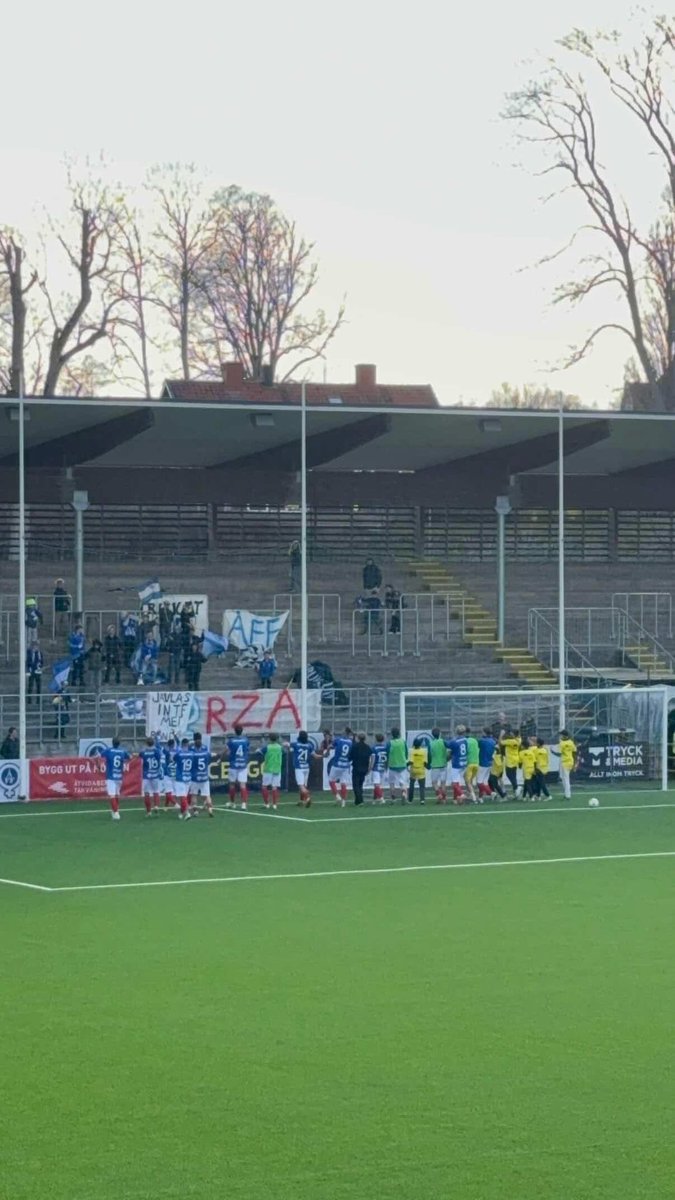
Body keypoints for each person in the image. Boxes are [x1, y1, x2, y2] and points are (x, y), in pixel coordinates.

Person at [97, 737, 130, 820]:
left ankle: (116, 813)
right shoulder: (122, 751)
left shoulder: (108, 750)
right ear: (119, 743)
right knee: (116, 794)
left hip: (111, 776)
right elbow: (129, 757)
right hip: (119, 776)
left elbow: (99, 756)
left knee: (112, 795)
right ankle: (115, 810)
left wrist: (99, 765)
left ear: (112, 743)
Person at [225, 724, 250, 809]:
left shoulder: (231, 741)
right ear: (242, 731)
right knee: (243, 785)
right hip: (243, 764)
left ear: (234, 731)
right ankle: (244, 804)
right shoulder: (246, 740)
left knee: (232, 784)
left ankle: (232, 803)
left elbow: (227, 750)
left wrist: (220, 757)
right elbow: (247, 749)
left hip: (233, 764)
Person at [190, 732, 214, 816]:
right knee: (207, 795)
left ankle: (195, 811)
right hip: (204, 776)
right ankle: (210, 810)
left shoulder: (191, 750)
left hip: (195, 776)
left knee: (194, 795)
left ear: (194, 740)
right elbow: (209, 759)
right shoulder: (205, 749)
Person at [139, 737, 163, 816]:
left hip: (146, 775)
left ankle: (148, 811)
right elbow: (160, 757)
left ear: (146, 743)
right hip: (155, 774)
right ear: (153, 743)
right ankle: (156, 806)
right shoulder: (157, 751)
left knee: (146, 793)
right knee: (156, 791)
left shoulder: (144, 752)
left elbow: (139, 755)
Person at [446, 726, 469, 805]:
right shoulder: (465, 740)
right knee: (457, 782)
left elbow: (448, 746)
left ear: (456, 732)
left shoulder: (454, 741)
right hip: (464, 762)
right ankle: (455, 799)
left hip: (456, 763)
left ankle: (462, 795)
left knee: (454, 783)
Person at [292, 731, 315, 808]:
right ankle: (301, 801)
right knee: (304, 785)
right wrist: (323, 756)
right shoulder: (309, 745)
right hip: (306, 767)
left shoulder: (296, 744)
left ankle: (308, 798)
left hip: (299, 767)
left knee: (301, 786)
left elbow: (287, 745)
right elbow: (315, 755)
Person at [386, 726, 408, 804]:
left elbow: (387, 753)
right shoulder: (403, 742)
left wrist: (387, 763)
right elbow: (406, 752)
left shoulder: (390, 743)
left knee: (392, 782)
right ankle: (404, 793)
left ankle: (393, 798)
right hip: (402, 765)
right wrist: (405, 759)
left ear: (392, 734)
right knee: (403, 782)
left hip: (393, 765)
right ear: (399, 734)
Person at [174, 737, 195, 819]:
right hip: (188, 777)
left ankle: (187, 813)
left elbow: (174, 759)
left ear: (182, 744)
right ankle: (182, 813)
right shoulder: (192, 753)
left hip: (180, 777)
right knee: (184, 796)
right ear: (188, 744)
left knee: (182, 796)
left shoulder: (179, 754)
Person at [262, 733, 283, 810]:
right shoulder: (280, 747)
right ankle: (274, 805)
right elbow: (284, 753)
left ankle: (267, 804)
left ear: (269, 739)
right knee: (274, 787)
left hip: (268, 769)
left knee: (264, 786)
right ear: (277, 739)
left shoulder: (267, 747)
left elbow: (260, 752)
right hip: (277, 768)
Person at [349, 732, 372, 806]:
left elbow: (350, 756)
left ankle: (360, 800)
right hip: (364, 768)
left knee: (356, 785)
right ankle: (357, 801)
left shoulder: (355, 746)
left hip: (356, 767)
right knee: (360, 784)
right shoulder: (367, 747)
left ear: (358, 738)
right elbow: (370, 757)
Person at [554, 730, 577, 800]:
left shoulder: (562, 743)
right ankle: (566, 794)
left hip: (564, 762)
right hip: (570, 761)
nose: (560, 736)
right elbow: (574, 752)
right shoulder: (571, 742)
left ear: (564, 736)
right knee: (564, 778)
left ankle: (568, 795)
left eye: (561, 735)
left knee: (565, 779)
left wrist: (552, 752)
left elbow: (559, 753)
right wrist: (575, 763)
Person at [428, 727, 449, 804]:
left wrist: (428, 763)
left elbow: (429, 755)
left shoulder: (431, 743)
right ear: (440, 734)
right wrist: (447, 758)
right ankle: (444, 799)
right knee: (443, 783)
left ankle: (439, 794)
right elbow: (450, 749)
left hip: (435, 766)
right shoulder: (443, 741)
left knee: (434, 783)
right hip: (443, 765)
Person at [500, 727, 522, 798]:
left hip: (510, 760)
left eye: (511, 733)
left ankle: (516, 787)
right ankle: (516, 792)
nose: (510, 734)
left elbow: (501, 742)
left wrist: (501, 734)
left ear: (513, 734)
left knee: (509, 774)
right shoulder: (519, 740)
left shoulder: (510, 741)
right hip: (515, 759)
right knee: (513, 776)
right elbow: (518, 736)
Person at [477, 728, 497, 800]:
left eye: (482, 732)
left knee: (479, 782)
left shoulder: (482, 741)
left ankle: (491, 793)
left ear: (485, 733)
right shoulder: (493, 741)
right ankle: (480, 798)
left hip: (483, 763)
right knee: (484, 782)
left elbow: (478, 745)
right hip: (489, 763)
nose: (481, 733)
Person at [407, 737, 428, 804]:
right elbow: (425, 762)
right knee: (422, 786)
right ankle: (422, 800)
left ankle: (410, 800)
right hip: (421, 770)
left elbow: (411, 761)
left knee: (411, 785)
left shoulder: (411, 751)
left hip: (413, 770)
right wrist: (427, 767)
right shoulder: (423, 751)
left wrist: (406, 765)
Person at [369, 734, 389, 805]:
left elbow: (373, 759)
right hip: (383, 768)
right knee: (378, 785)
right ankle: (374, 799)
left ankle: (381, 798)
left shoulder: (374, 748)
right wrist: (386, 767)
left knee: (376, 784)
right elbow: (387, 758)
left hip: (376, 768)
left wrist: (370, 767)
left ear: (376, 739)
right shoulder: (386, 748)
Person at [464, 728, 479, 803]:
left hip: (469, 763)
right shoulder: (474, 740)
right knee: (470, 781)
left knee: (468, 781)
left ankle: (474, 797)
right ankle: (468, 795)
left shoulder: (465, 741)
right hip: (476, 763)